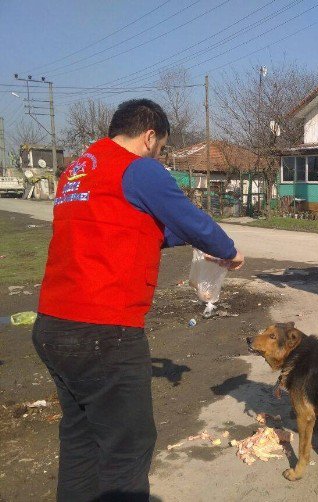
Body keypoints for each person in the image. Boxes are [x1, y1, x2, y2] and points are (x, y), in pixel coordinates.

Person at [32, 99, 244, 502]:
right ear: (150, 137)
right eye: (162, 148)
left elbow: (139, 229)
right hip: (103, 332)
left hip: (52, 326)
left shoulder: (78, 170)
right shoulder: (140, 169)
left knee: (81, 442)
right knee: (127, 448)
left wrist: (196, 244)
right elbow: (191, 219)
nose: (160, 156)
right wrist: (229, 250)